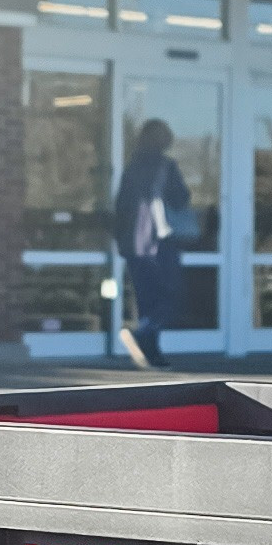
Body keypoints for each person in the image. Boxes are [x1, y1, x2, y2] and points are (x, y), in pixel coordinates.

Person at [108, 118, 194, 362]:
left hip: (135, 244)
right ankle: (146, 337)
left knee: (147, 297)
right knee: (172, 294)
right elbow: (180, 199)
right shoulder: (166, 166)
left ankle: (150, 346)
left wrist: (121, 239)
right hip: (160, 241)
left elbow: (121, 206)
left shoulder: (132, 167)